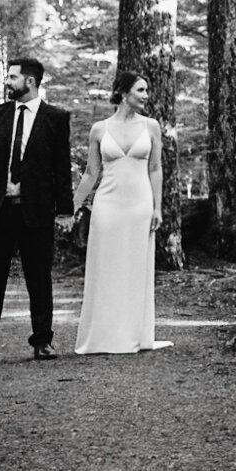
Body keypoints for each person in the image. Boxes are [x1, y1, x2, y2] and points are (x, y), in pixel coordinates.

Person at [0, 57, 75, 365]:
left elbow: (60, 169)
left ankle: (43, 341)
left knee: (39, 278)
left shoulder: (56, 118)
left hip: (36, 211)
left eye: (12, 77)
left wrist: (64, 210)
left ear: (30, 81)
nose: (7, 81)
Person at [72, 69, 167, 354]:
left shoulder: (151, 127)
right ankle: (102, 335)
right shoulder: (99, 129)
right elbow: (91, 173)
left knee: (135, 269)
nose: (146, 96)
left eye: (146, 90)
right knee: (106, 267)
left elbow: (155, 168)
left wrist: (158, 208)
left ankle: (135, 334)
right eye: (141, 90)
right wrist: (72, 206)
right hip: (107, 205)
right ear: (124, 93)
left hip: (140, 205)